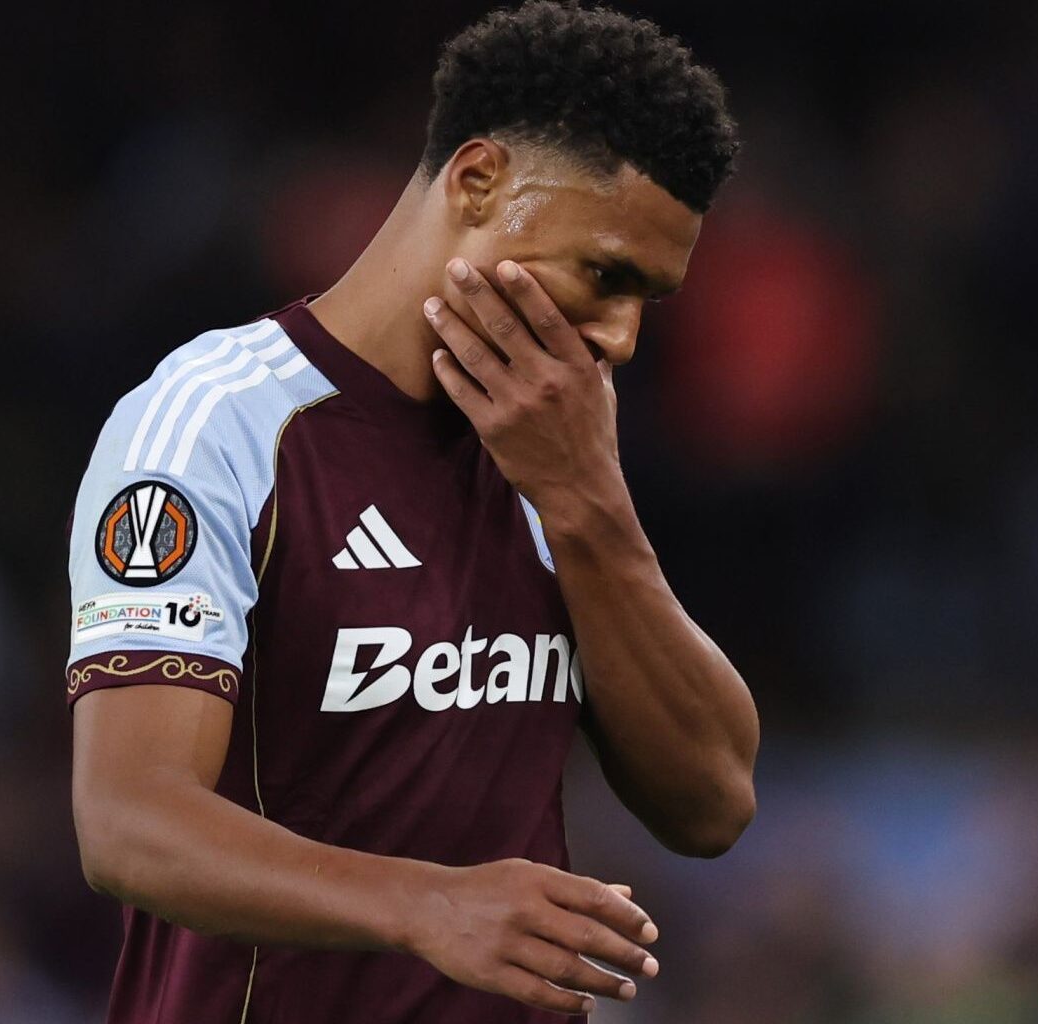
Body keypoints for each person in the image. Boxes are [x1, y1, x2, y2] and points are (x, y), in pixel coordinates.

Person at [64, 2, 759, 1020]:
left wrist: (587, 503)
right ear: (479, 182)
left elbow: (712, 800)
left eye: (646, 299)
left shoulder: (557, 440)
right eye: (605, 275)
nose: (618, 338)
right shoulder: (215, 423)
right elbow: (128, 822)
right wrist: (427, 901)